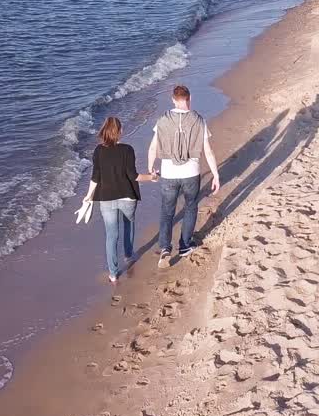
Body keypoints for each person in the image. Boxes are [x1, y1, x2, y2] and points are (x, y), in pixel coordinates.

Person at [146, 85, 220, 265]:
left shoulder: (163, 120)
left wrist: (151, 169)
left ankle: (165, 247)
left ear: (173, 99)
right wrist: (216, 175)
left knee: (167, 211)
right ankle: (185, 244)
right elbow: (208, 151)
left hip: (169, 172)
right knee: (190, 207)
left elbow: (153, 147)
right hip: (190, 172)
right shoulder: (199, 120)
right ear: (189, 98)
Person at [82, 117, 157, 282]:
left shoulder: (98, 151)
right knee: (129, 224)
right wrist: (151, 177)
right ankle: (129, 256)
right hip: (127, 197)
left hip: (106, 199)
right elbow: (134, 176)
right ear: (119, 132)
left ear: (104, 132)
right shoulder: (127, 150)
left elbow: (95, 177)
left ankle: (113, 273)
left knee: (111, 235)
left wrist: (88, 196)